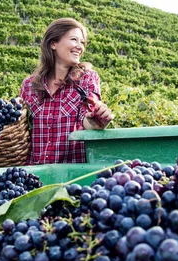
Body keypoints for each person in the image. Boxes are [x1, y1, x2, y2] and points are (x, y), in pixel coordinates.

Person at [20, 18, 114, 165]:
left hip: (70, 176)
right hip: (34, 175)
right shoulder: (29, 85)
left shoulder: (87, 79)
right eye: (74, 40)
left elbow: (88, 118)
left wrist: (96, 120)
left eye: (82, 42)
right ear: (53, 44)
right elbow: (21, 129)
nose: (79, 46)